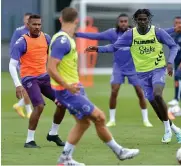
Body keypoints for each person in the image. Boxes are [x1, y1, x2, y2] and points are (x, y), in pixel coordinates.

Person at [47, 7, 139, 165]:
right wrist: (66, 87)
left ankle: (65, 159)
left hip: (74, 88)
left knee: (84, 122)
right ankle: (120, 152)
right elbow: (50, 67)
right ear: (77, 21)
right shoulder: (62, 40)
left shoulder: (67, 39)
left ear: (61, 19)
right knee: (100, 117)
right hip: (69, 91)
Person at [86, 9, 181, 144]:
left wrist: (170, 63)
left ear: (148, 20)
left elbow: (173, 46)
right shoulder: (130, 35)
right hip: (142, 74)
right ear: (136, 21)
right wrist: (97, 49)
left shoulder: (157, 32)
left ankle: (167, 129)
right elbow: (114, 47)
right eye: (140, 19)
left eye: (145, 19)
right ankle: (175, 129)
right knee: (153, 102)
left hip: (158, 69)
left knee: (157, 95)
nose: (143, 21)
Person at [75, 13, 153, 127]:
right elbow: (96, 36)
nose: (123, 23)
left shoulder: (134, 33)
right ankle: (112, 119)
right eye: (121, 21)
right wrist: (77, 34)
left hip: (133, 67)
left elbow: (152, 35)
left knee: (140, 92)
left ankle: (146, 120)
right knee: (114, 90)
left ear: (128, 22)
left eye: (125, 21)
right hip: (118, 67)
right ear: (118, 22)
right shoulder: (112, 33)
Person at [9, 14, 66, 148]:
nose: (37, 27)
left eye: (39, 24)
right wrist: (18, 85)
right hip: (29, 78)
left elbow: (52, 56)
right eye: (34, 24)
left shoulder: (46, 38)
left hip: (44, 77)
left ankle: (53, 133)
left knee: (62, 102)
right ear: (28, 26)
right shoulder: (22, 41)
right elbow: (12, 64)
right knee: (39, 106)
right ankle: (29, 140)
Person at [9, 12, 33, 118]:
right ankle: (29, 111)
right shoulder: (19, 31)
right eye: (26, 19)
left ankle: (19, 105)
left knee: (36, 88)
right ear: (24, 20)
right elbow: (13, 46)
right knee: (29, 86)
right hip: (22, 64)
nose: (27, 21)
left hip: (34, 64)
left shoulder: (35, 32)